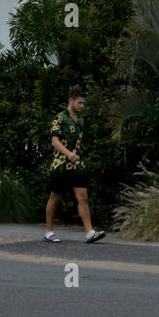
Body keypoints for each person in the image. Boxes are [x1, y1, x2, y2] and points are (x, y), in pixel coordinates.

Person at [43, 86, 105, 244]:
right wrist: (67, 153)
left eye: (84, 103)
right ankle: (49, 232)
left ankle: (89, 232)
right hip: (60, 165)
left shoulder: (81, 119)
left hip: (77, 165)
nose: (82, 106)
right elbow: (54, 141)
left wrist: (75, 155)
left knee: (83, 197)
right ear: (71, 100)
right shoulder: (59, 118)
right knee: (55, 197)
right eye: (80, 103)